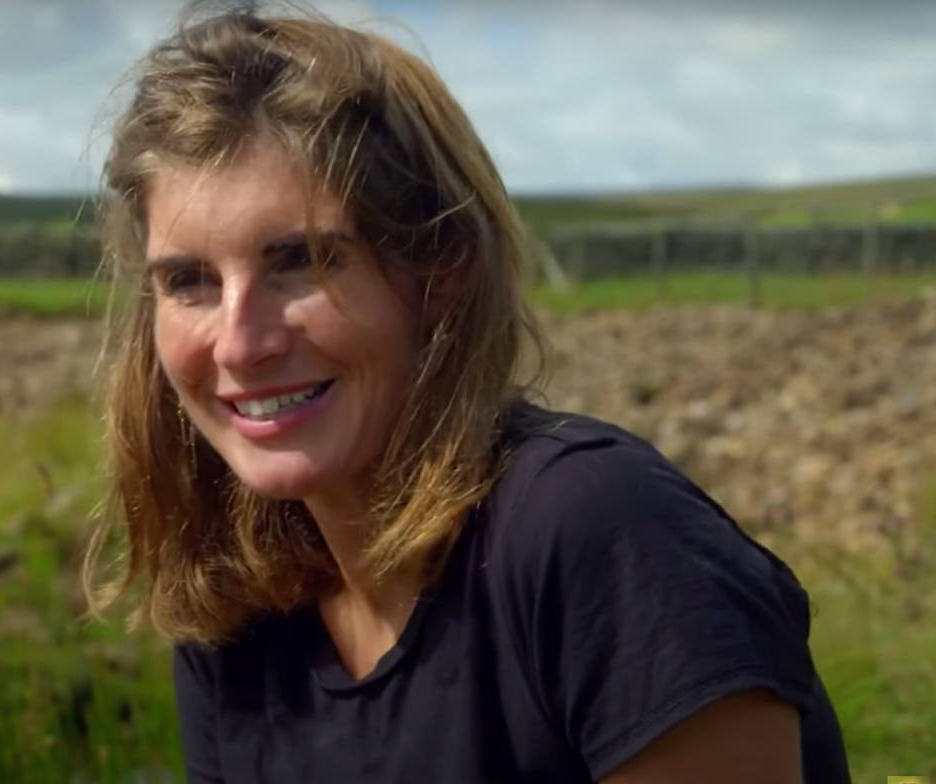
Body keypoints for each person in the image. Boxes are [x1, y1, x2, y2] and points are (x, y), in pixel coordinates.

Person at [84, 3, 851, 782]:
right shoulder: (238, 610)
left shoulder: (598, 538)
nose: (242, 343)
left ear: (441, 268)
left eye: (303, 261)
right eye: (189, 281)